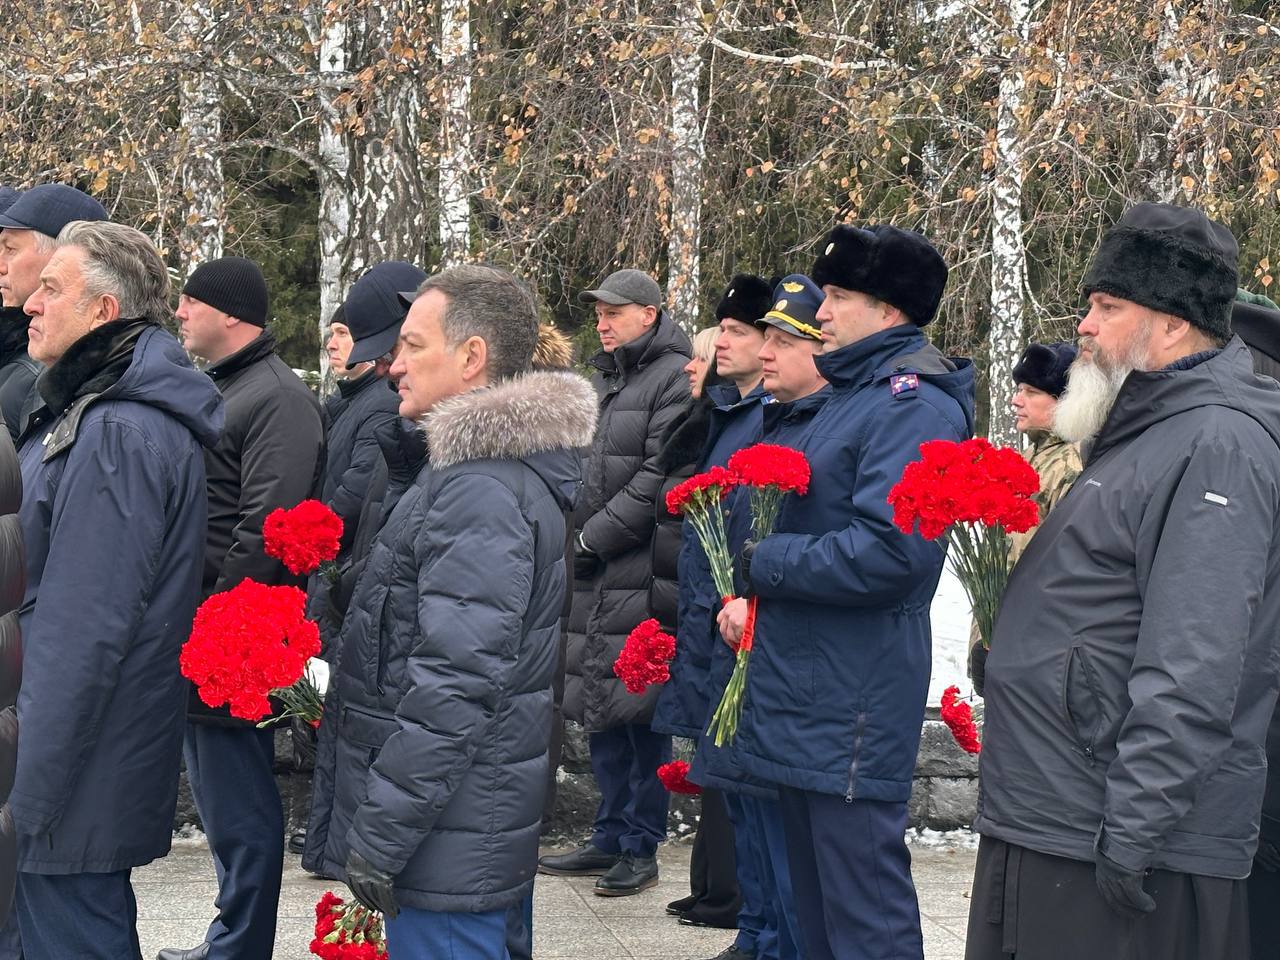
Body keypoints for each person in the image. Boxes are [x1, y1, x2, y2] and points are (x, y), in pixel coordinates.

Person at [966, 203, 1280, 960]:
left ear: (1171, 325)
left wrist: (1136, 826)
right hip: (1057, 813)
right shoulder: (1148, 426)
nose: (1084, 324)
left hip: (1114, 836)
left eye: (1108, 307)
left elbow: (1197, 657)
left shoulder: (1217, 441)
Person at [305, 264, 597, 959]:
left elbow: (455, 680)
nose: (393, 364)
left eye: (411, 346)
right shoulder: (464, 475)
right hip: (455, 829)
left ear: (471, 358)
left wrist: (381, 834)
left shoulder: (482, 491)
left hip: (448, 843)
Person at [721, 227, 975, 960]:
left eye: (836, 297)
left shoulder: (911, 403)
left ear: (888, 310)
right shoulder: (850, 393)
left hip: (849, 699)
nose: (819, 312)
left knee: (862, 913)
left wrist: (766, 559)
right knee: (815, 915)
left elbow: (892, 552)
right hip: (809, 690)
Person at [8, 220, 223, 960]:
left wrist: (23, 795)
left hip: (68, 775)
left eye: (51, 289)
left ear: (104, 312)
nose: (30, 304)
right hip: (69, 764)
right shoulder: (91, 410)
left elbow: (81, 627)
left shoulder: (118, 431)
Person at [160, 256, 325, 960]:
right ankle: (228, 938)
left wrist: (214, 623)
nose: (179, 313)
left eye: (191, 301)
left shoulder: (277, 398)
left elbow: (267, 528)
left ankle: (239, 946)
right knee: (223, 799)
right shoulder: (229, 387)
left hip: (238, 636)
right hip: (212, 629)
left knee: (241, 803)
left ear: (230, 313)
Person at [545, 268, 692, 896]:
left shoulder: (673, 380)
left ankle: (640, 844)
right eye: (598, 312)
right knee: (599, 707)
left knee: (639, 714)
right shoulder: (607, 378)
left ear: (650, 315)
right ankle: (608, 833)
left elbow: (658, 476)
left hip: (638, 567)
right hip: (596, 572)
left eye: (615, 312)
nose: (601, 322)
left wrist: (590, 537)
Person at [697, 274, 831, 960]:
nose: (768, 353)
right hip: (733, 632)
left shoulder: (822, 424)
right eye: (766, 337)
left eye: (784, 339)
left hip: (778, 646)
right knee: (743, 798)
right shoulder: (767, 416)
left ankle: (775, 937)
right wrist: (725, 598)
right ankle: (757, 931)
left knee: (773, 810)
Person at [652, 274, 773, 935]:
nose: (722, 341)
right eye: (719, 329)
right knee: (716, 757)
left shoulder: (766, 417)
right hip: (708, 609)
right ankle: (726, 897)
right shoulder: (728, 412)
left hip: (736, 615)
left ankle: (742, 906)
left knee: (737, 768)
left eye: (737, 332)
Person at [967, 340, 1081, 696]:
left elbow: (1064, 570)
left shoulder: (1071, 465)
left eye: (1032, 392)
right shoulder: (1031, 456)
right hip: (1001, 640)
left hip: (1034, 652)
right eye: (1018, 389)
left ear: (1065, 401)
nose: (1017, 399)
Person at [0, 184, 108, 439]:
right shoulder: (21, 351)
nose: (1, 265)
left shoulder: (46, 373)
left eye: (10, 249)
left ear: (59, 259)